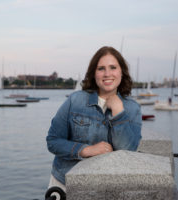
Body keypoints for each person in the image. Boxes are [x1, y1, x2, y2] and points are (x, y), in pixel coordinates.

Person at [46, 46, 142, 191]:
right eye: (101, 68)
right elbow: (53, 141)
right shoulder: (75, 101)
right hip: (64, 185)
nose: (107, 73)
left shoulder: (132, 108)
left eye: (113, 67)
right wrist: (86, 150)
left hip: (106, 189)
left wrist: (118, 111)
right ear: (94, 73)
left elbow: (128, 152)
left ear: (122, 72)